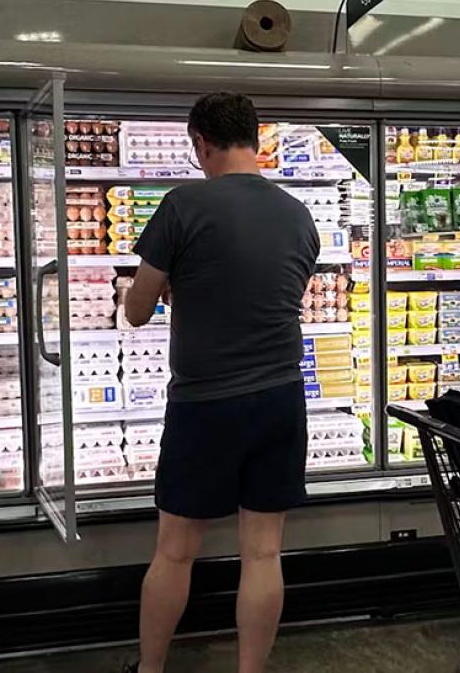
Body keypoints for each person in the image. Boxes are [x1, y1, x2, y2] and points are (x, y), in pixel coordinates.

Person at [121, 92, 321, 673]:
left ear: (201, 144)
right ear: (255, 140)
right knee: (262, 551)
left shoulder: (184, 206)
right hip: (281, 397)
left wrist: (153, 292)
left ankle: (152, 669)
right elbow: (272, 294)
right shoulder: (298, 215)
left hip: (206, 402)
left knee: (176, 551)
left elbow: (136, 310)